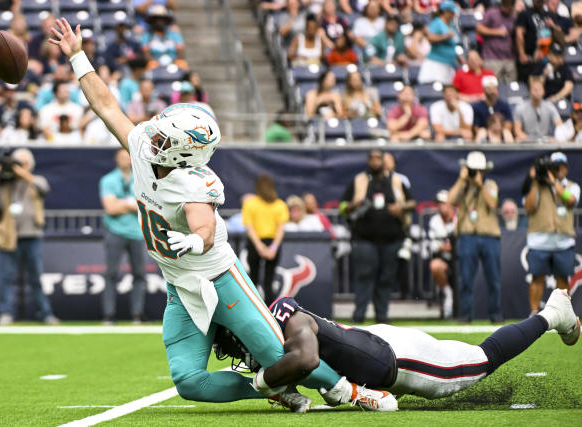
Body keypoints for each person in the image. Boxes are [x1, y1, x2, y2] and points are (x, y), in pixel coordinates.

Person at [49, 17, 381, 411]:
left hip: (219, 279)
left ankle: (350, 391)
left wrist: (194, 239)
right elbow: (106, 104)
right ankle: (270, 389)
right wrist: (78, 57)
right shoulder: (141, 146)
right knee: (190, 381)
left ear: (184, 153)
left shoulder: (194, 182)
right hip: (181, 286)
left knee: (281, 356)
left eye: (165, 138)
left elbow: (203, 225)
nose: (152, 135)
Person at [215, 288, 579, 407]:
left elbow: (307, 358)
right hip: (373, 347)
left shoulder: (286, 315)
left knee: (483, 359)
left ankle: (552, 313)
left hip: (399, 358)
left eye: (233, 340)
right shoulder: (279, 321)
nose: (237, 350)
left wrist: (263, 382)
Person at [340, 149, 415, 323]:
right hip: (364, 239)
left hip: (392, 239)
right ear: (367, 161)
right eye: (371, 158)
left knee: (386, 279)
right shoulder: (359, 180)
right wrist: (354, 204)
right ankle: (358, 317)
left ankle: (382, 318)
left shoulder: (396, 181)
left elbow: (413, 202)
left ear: (383, 161)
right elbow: (342, 207)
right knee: (364, 278)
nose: (375, 162)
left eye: (378, 158)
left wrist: (401, 207)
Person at [0, 148, 58, 326]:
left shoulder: (36, 180)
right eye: (17, 163)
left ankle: (45, 313)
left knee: (36, 278)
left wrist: (23, 173)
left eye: (23, 163)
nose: (18, 167)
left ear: (30, 165)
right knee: (6, 276)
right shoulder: (6, 183)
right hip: (9, 235)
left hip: (32, 234)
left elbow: (44, 189)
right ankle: (6, 312)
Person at [447, 151, 502, 323]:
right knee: (466, 279)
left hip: (489, 236)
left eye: (479, 170)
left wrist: (480, 185)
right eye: (473, 170)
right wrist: (462, 179)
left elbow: (493, 203)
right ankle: (465, 315)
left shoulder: (491, 184)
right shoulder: (463, 186)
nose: (476, 173)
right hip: (467, 235)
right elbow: (449, 200)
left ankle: (495, 314)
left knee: (493, 279)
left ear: (484, 171)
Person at [524, 152, 579, 315]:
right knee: (537, 278)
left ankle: (562, 314)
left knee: (562, 278)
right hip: (539, 241)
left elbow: (571, 201)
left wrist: (554, 182)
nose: (558, 169)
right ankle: (534, 313)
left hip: (563, 241)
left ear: (566, 168)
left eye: (560, 166)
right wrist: (535, 182)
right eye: (554, 166)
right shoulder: (537, 186)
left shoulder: (571, 186)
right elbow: (528, 207)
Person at [99, 149, 147, 324]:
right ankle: (109, 314)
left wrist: (122, 203)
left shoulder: (142, 179)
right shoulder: (109, 180)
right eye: (123, 157)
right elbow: (110, 208)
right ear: (116, 160)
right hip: (115, 231)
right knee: (111, 274)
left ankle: (137, 314)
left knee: (139, 274)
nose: (126, 160)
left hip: (138, 233)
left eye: (128, 157)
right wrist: (132, 204)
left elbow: (147, 206)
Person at [242, 175, 289, 305]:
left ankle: (252, 309)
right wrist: (273, 248)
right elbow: (280, 230)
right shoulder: (280, 205)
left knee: (253, 280)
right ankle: (271, 313)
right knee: (269, 281)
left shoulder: (250, 203)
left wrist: (259, 246)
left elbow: (250, 228)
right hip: (272, 243)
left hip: (255, 243)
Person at [515, 0, 565, 84]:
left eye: (541, 1)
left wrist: (553, 26)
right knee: (532, 83)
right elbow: (519, 33)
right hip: (531, 58)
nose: (539, 2)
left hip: (547, 57)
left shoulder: (549, 15)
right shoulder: (525, 14)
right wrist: (522, 53)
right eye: (537, 1)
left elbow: (560, 36)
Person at [428, 190, 456, 318]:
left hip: (461, 259)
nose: (441, 206)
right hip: (445, 259)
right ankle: (447, 293)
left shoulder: (459, 218)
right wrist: (449, 247)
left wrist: (450, 247)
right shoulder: (434, 221)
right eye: (439, 204)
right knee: (435, 266)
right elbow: (433, 245)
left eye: (444, 203)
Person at [418, 0, 460, 85]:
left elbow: (452, 44)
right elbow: (430, 38)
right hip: (436, 63)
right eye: (452, 12)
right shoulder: (437, 22)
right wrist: (445, 36)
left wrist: (458, 57)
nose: (453, 15)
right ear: (445, 11)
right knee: (434, 89)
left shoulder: (451, 24)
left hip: (449, 63)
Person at [476, 0, 516, 83]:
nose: (508, 7)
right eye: (506, 5)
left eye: (510, 5)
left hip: (509, 58)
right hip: (492, 58)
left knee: (510, 89)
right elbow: (479, 28)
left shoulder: (513, 17)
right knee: (491, 86)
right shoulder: (492, 13)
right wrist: (496, 32)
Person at [514, 78, 562, 143]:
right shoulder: (520, 108)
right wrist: (528, 139)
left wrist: (555, 138)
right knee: (517, 139)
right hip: (527, 139)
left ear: (543, 91)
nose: (537, 92)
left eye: (539, 89)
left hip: (546, 139)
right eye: (535, 89)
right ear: (530, 91)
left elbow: (560, 125)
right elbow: (517, 130)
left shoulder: (549, 106)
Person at [141, 4, 187, 70]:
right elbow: (146, 54)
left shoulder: (175, 35)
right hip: (156, 66)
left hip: (173, 64)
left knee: (182, 64)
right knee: (150, 65)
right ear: (152, 21)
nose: (159, 21)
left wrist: (174, 62)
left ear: (166, 20)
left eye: (162, 19)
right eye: (156, 19)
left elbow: (180, 52)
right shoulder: (147, 36)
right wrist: (156, 63)